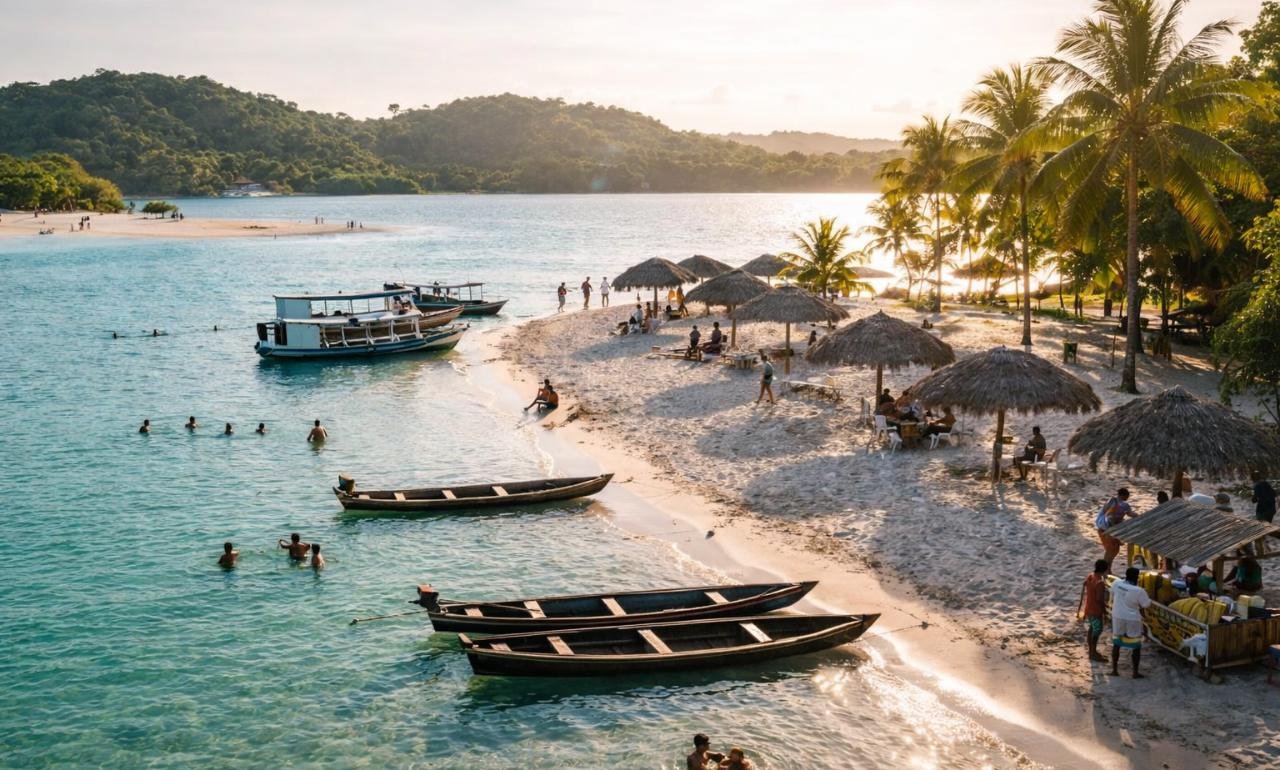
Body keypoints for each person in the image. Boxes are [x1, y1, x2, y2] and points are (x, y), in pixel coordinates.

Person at [1109, 566, 1151, 678]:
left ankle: (1114, 670)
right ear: (1137, 577)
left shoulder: (1117, 583)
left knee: (1116, 643)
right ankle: (1135, 672)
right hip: (1132, 619)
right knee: (1136, 645)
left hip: (1118, 616)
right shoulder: (1139, 591)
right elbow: (1146, 604)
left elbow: (1112, 592)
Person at [1077, 559, 1110, 662]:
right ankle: (1093, 653)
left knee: (1092, 629)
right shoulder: (1100, 583)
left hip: (1089, 608)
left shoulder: (1091, 576)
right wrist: (1105, 611)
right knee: (1097, 631)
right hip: (1096, 610)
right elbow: (1100, 599)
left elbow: (1085, 583)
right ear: (1105, 569)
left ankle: (1092, 651)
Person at [1095, 488, 1133, 567]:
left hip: (1109, 529)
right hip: (1107, 529)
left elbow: (1130, 514)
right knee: (1111, 549)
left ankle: (1108, 568)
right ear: (1124, 495)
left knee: (1114, 549)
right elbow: (1109, 515)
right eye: (1127, 496)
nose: (1127, 498)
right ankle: (1105, 568)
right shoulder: (1117, 502)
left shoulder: (1118, 503)